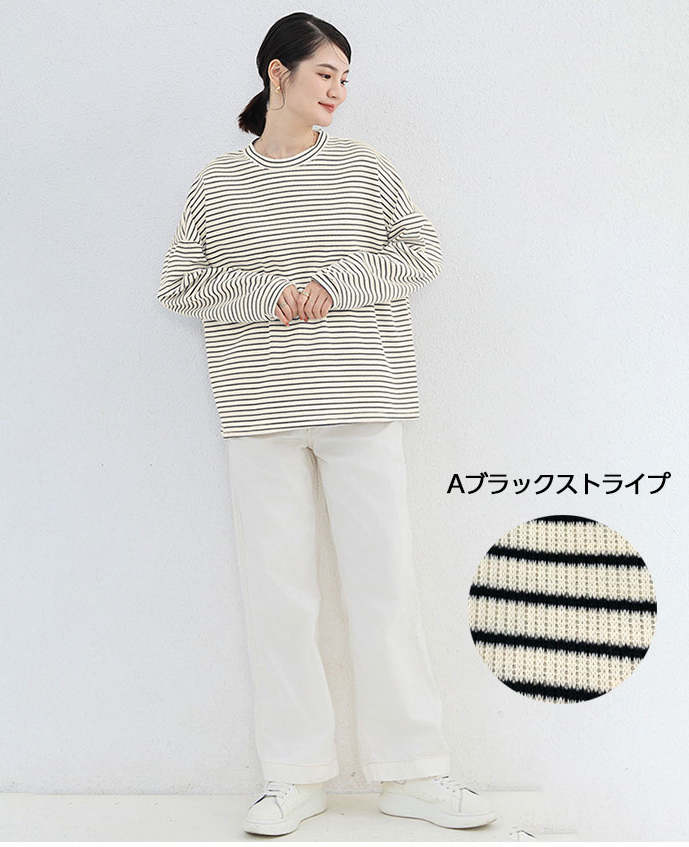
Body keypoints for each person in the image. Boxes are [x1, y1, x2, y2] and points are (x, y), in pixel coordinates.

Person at [157, 11, 497, 838]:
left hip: (361, 399)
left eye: (345, 77)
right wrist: (269, 294)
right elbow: (179, 283)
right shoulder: (216, 185)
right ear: (278, 74)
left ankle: (414, 772)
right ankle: (294, 775)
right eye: (325, 74)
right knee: (278, 596)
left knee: (384, 587)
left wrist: (333, 283)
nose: (339, 90)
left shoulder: (364, 168)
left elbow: (421, 252)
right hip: (261, 409)